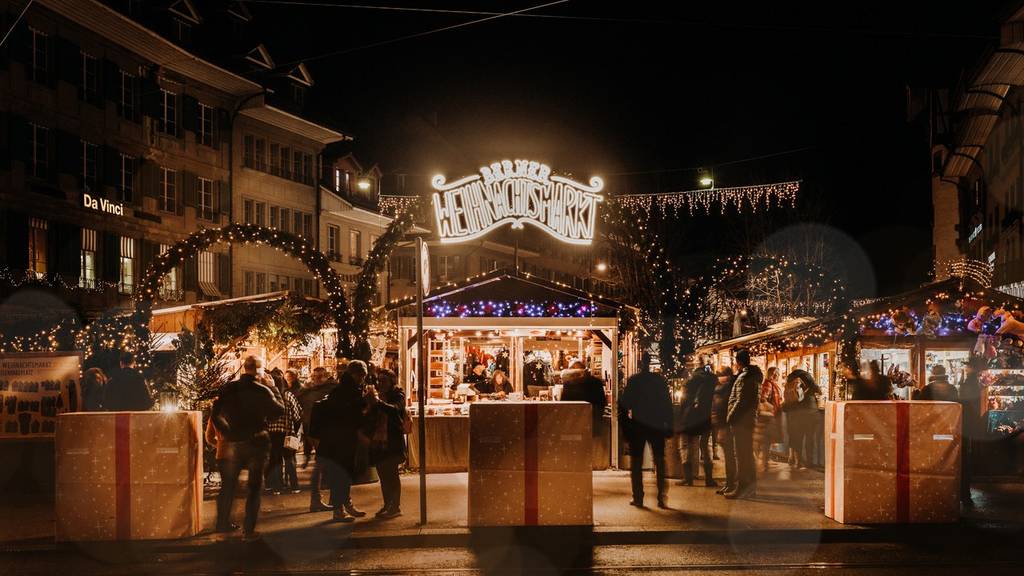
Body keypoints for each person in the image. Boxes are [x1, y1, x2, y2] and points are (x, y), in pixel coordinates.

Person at [210, 356, 285, 539]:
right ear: (259, 370)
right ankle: (248, 529)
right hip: (256, 440)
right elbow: (279, 410)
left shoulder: (229, 388)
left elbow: (215, 412)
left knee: (228, 485)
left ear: (245, 368)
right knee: (254, 486)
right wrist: (273, 387)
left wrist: (226, 431)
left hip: (232, 441)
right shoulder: (262, 390)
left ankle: (222, 524)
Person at [310, 360, 370, 522]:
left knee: (343, 474)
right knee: (341, 475)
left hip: (337, 438)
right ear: (355, 374)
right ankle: (339, 509)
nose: (363, 378)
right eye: (361, 375)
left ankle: (345, 504)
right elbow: (352, 414)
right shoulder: (348, 390)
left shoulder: (343, 389)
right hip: (340, 440)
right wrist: (366, 403)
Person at [618, 353, 673, 509]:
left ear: (640, 363)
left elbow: (624, 405)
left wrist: (626, 425)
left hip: (638, 425)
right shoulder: (659, 381)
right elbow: (667, 405)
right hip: (656, 425)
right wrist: (669, 424)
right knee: (660, 461)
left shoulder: (634, 381)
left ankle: (638, 497)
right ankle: (661, 497)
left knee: (636, 463)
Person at [367, 368, 407, 519]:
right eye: (379, 380)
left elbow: (396, 409)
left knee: (392, 475)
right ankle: (387, 504)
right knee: (383, 475)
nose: (381, 383)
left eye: (384, 380)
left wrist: (378, 403)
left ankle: (395, 507)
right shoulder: (378, 395)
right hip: (379, 442)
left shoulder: (398, 394)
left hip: (392, 441)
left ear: (391, 382)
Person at [726, 349, 762, 499]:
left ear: (738, 362)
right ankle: (750, 488)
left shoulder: (746, 377)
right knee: (746, 454)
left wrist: (730, 417)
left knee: (742, 455)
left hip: (741, 421)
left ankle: (742, 487)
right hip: (747, 420)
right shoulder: (753, 376)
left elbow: (740, 401)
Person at [297, 366, 336, 497]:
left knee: (322, 460)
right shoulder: (309, 390)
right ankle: (318, 493)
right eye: (314, 377)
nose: (315, 379)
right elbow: (299, 397)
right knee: (321, 459)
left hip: (324, 428)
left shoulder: (330, 388)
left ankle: (319, 492)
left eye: (318, 377)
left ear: (325, 376)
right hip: (312, 428)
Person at [677, 366, 717, 487]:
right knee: (705, 447)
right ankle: (709, 479)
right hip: (705, 419)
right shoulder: (710, 383)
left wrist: (681, 417)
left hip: (689, 419)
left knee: (685, 446)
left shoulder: (689, 383)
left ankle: (688, 478)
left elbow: (683, 402)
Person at [266, 369, 302, 494]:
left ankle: (277, 487)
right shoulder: (288, 396)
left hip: (272, 433)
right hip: (287, 432)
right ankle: (294, 486)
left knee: (275, 459)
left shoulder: (269, 397)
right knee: (289, 459)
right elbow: (297, 415)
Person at [783, 369, 820, 470]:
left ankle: (798, 462)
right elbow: (819, 391)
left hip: (799, 416)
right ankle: (809, 462)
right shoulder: (811, 385)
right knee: (810, 439)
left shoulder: (792, 383)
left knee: (798, 439)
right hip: (812, 415)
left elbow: (790, 402)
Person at [960, 356, 984, 505]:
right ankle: (965, 492)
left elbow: (964, 401)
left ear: (972, 368)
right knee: (965, 457)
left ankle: (965, 493)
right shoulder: (972, 381)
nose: (966, 368)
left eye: (967, 366)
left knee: (964, 458)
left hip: (966, 422)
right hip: (970, 421)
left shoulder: (970, 382)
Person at [711, 366, 736, 494]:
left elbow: (723, 408)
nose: (719, 377)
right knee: (728, 456)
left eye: (721, 375)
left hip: (726, 426)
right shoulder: (722, 389)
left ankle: (730, 482)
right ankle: (729, 482)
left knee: (729, 456)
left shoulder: (726, 389)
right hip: (723, 425)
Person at [753, 366, 782, 473]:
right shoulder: (768, 384)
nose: (778, 375)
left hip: (769, 416)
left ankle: (763, 462)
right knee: (765, 441)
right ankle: (762, 463)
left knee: (765, 441)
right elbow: (763, 398)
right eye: (776, 373)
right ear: (772, 374)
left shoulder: (770, 384)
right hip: (767, 417)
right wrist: (771, 407)